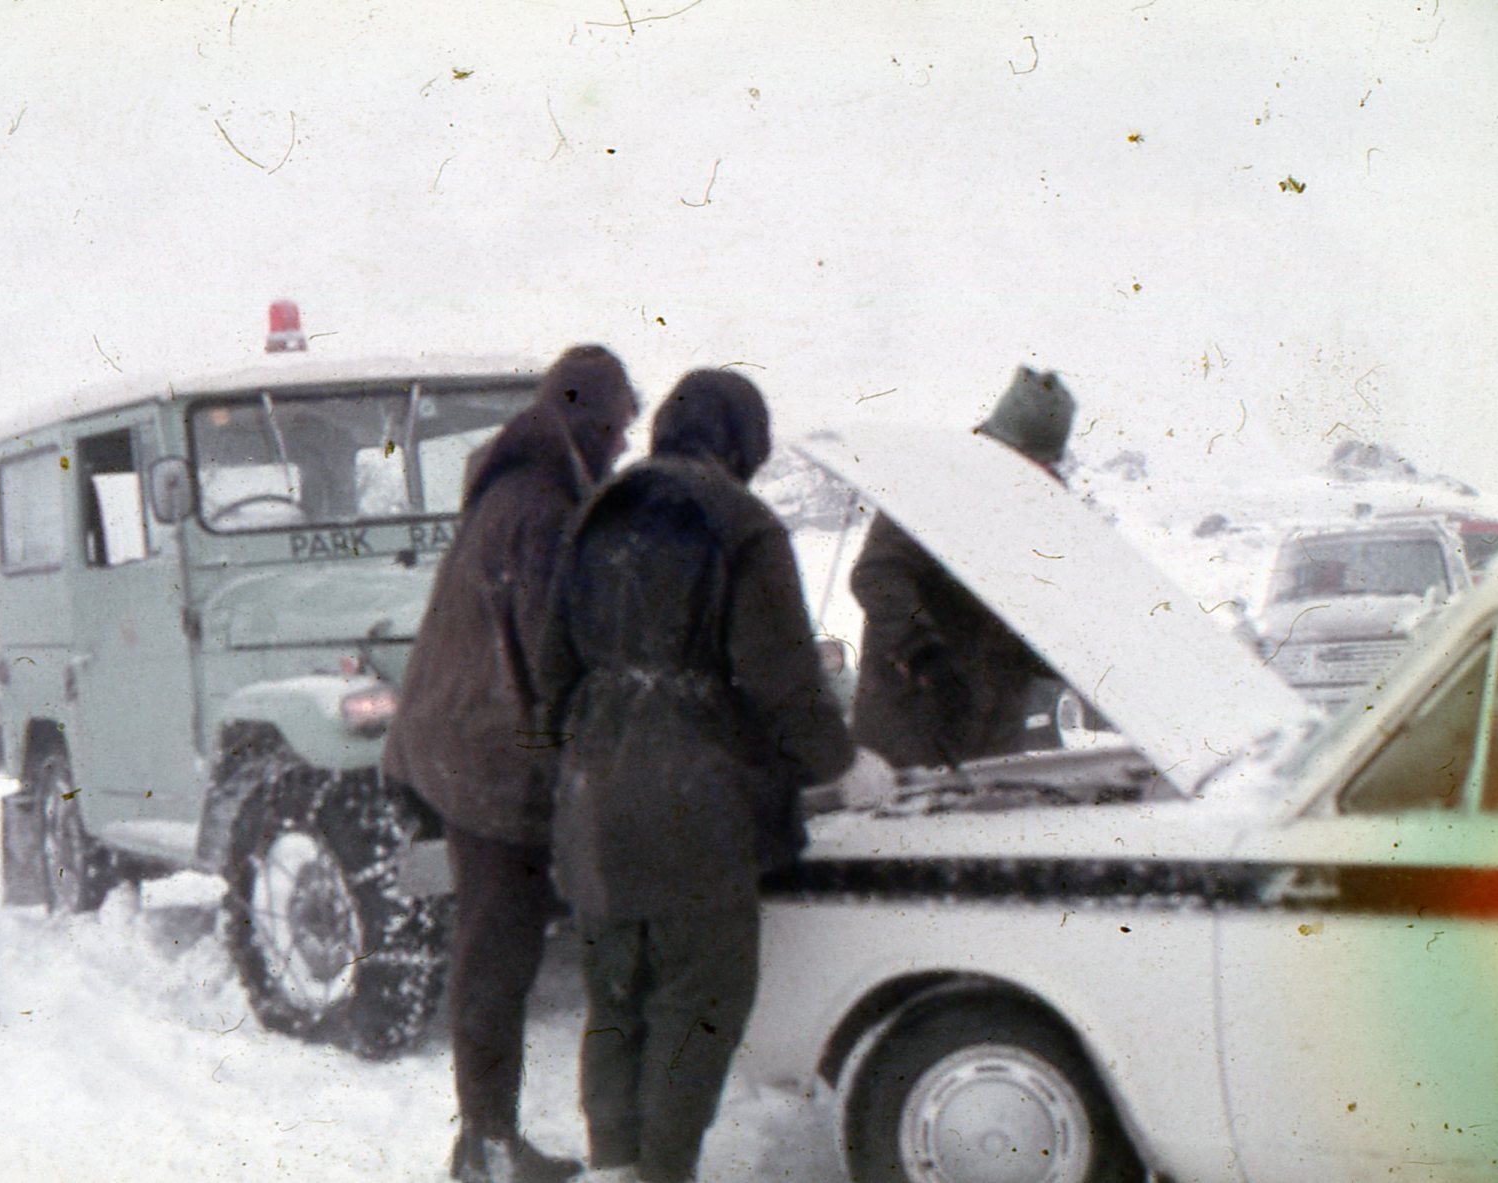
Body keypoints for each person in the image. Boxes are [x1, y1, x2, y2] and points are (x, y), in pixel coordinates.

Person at [535, 370, 854, 1183]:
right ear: (742, 442)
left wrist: (576, 767)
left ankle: (612, 1165)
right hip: (698, 811)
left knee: (615, 1002)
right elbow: (779, 675)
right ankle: (663, 1172)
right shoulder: (741, 522)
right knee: (696, 1002)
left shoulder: (591, 516)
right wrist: (842, 764)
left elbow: (549, 672)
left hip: (595, 802)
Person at [382, 345, 638, 1183]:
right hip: (486, 758)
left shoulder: (519, 487)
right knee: (495, 953)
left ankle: (486, 1140)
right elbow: (552, 654)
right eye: (617, 429)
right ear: (586, 421)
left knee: (496, 950)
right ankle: (485, 1148)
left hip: (464, 742)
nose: (623, 447)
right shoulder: (539, 507)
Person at [849, 366, 1075, 770]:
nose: (1039, 473)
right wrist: (922, 655)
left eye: (1046, 463)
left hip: (995, 726)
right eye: (1028, 461)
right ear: (1002, 444)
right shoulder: (934, 486)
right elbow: (878, 575)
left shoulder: (1044, 508)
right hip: (912, 716)